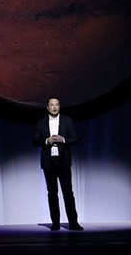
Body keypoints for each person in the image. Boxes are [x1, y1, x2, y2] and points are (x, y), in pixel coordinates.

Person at [33, 97, 83, 231]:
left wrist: (63, 139)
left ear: (59, 107)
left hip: (64, 161)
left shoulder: (67, 120)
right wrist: (46, 141)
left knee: (68, 192)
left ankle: (73, 223)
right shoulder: (41, 122)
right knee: (52, 193)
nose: (54, 107)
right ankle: (55, 223)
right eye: (52, 105)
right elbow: (35, 140)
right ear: (47, 107)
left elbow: (75, 139)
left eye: (57, 105)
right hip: (49, 162)